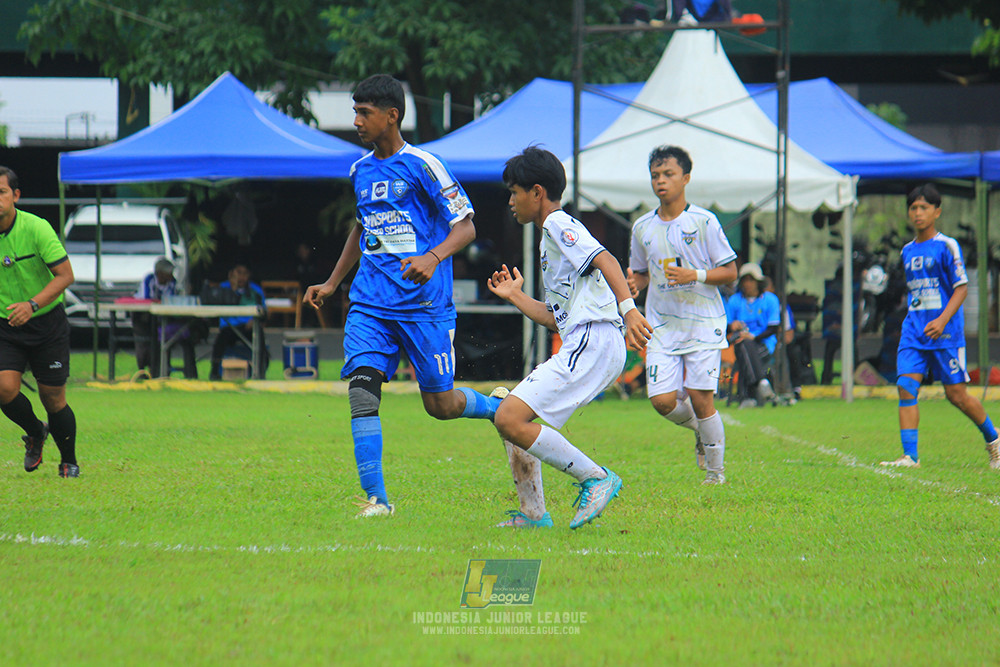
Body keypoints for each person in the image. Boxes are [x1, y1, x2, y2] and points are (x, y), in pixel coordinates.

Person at [303, 74, 504, 518]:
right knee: (361, 389)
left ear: (391, 116)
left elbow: (466, 226)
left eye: (364, 112)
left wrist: (432, 258)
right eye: (355, 111)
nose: (355, 120)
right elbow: (362, 227)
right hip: (369, 303)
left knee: (441, 405)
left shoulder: (424, 166)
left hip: (424, 306)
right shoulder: (359, 170)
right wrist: (334, 282)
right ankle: (377, 501)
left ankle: (499, 409)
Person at [486, 146, 653, 529]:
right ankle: (533, 514)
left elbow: (607, 259)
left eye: (515, 192)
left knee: (509, 415)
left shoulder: (558, 224)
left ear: (537, 192)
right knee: (510, 412)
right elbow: (555, 319)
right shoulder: (551, 241)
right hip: (587, 339)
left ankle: (595, 477)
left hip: (593, 341)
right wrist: (516, 297)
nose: (511, 201)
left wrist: (629, 311)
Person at [625, 145, 737, 484]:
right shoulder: (642, 227)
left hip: (703, 322)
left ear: (685, 178)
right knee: (660, 401)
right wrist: (635, 284)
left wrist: (696, 275)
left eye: (669, 174)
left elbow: (730, 271)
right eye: (656, 175)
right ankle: (702, 432)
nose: (661, 181)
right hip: (662, 325)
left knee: (702, 399)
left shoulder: (703, 222)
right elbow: (641, 272)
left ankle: (715, 476)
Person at [881, 183, 1000, 469]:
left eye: (924, 207)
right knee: (906, 385)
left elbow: (961, 288)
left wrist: (942, 319)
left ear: (937, 211)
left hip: (945, 333)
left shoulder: (947, 246)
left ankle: (994, 441)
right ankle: (910, 456)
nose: (918, 213)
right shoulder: (907, 250)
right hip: (915, 331)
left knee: (956, 395)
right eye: (913, 207)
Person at [0, 166, 80, 478]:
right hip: (6, 326)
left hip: (47, 323)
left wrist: (32, 305)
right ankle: (35, 432)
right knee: (4, 389)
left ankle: (69, 461)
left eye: (2, 192)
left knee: (52, 397)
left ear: (15, 196)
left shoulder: (36, 228)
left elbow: (66, 276)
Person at [134, 257, 198, 379]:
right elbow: (146, 298)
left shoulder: (172, 283)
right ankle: (152, 371)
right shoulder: (149, 280)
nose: (170, 275)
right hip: (147, 319)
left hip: (165, 319)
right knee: (151, 339)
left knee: (185, 336)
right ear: (159, 273)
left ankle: (190, 374)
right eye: (167, 272)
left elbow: (172, 300)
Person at [726, 262, 780, 406]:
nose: (748, 284)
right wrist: (732, 326)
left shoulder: (770, 300)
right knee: (744, 345)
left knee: (745, 350)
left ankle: (747, 397)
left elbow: (773, 328)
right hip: (740, 343)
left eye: (752, 280)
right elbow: (725, 327)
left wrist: (753, 337)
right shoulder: (735, 301)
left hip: (764, 345)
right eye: (745, 280)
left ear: (758, 282)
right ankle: (762, 383)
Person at [208, 263, 267, 380]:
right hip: (229, 327)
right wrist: (233, 289)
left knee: (259, 335)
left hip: (248, 327)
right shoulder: (223, 288)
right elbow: (214, 306)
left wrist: (254, 321)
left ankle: (260, 372)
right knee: (221, 339)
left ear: (249, 275)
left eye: (245, 274)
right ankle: (215, 372)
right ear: (231, 274)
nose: (241, 277)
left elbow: (264, 312)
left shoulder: (255, 290)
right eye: (238, 273)